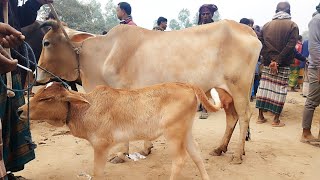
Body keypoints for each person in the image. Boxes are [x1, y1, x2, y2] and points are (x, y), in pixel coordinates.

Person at [0, 0, 53, 179]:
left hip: (9, 62)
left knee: (7, 121)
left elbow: (17, 19)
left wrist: (36, 3)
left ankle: (3, 172)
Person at [255, 2, 299, 127]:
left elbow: (261, 45)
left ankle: (260, 116)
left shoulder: (266, 25)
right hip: (283, 64)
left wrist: (271, 60)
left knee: (264, 88)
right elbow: (290, 46)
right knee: (279, 90)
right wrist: (278, 61)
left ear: (275, 10)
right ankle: (275, 120)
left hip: (268, 63)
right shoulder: (292, 25)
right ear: (289, 11)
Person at [300, 4, 320, 143]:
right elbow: (314, 46)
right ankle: (306, 133)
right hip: (317, 67)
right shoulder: (317, 20)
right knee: (312, 101)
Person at [197, 4, 218, 119]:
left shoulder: (215, 27)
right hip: (198, 58)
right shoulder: (197, 27)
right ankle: (200, 103)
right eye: (203, 14)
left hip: (210, 59)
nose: (205, 16)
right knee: (197, 82)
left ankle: (205, 107)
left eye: (207, 14)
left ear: (211, 15)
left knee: (207, 83)